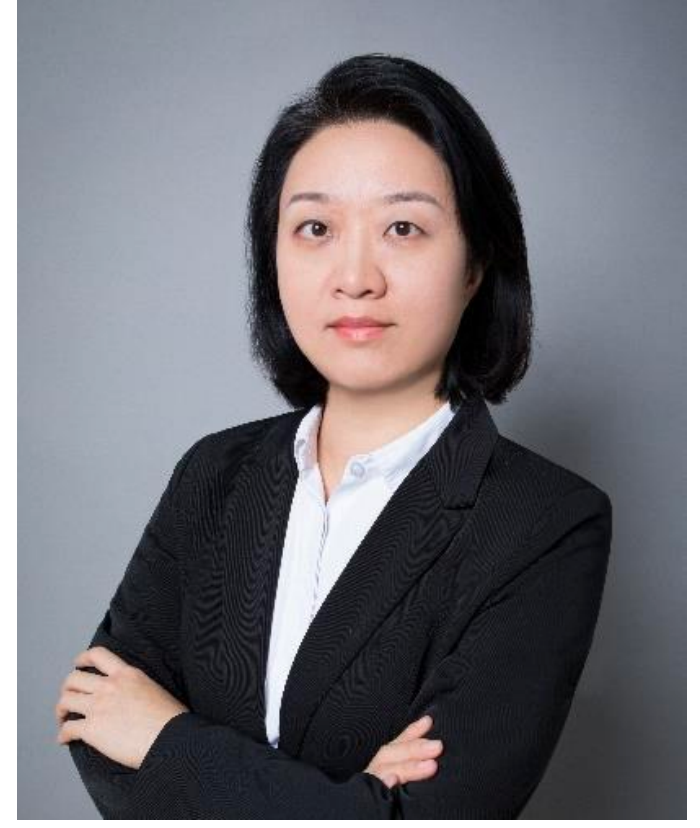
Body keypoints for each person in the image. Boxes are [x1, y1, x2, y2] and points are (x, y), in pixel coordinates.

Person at [54, 53, 613, 819]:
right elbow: (93, 720)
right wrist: (350, 798)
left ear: (476, 263)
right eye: (315, 228)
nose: (355, 277)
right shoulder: (213, 473)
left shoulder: (544, 521)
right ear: (273, 253)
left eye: (403, 228)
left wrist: (165, 738)